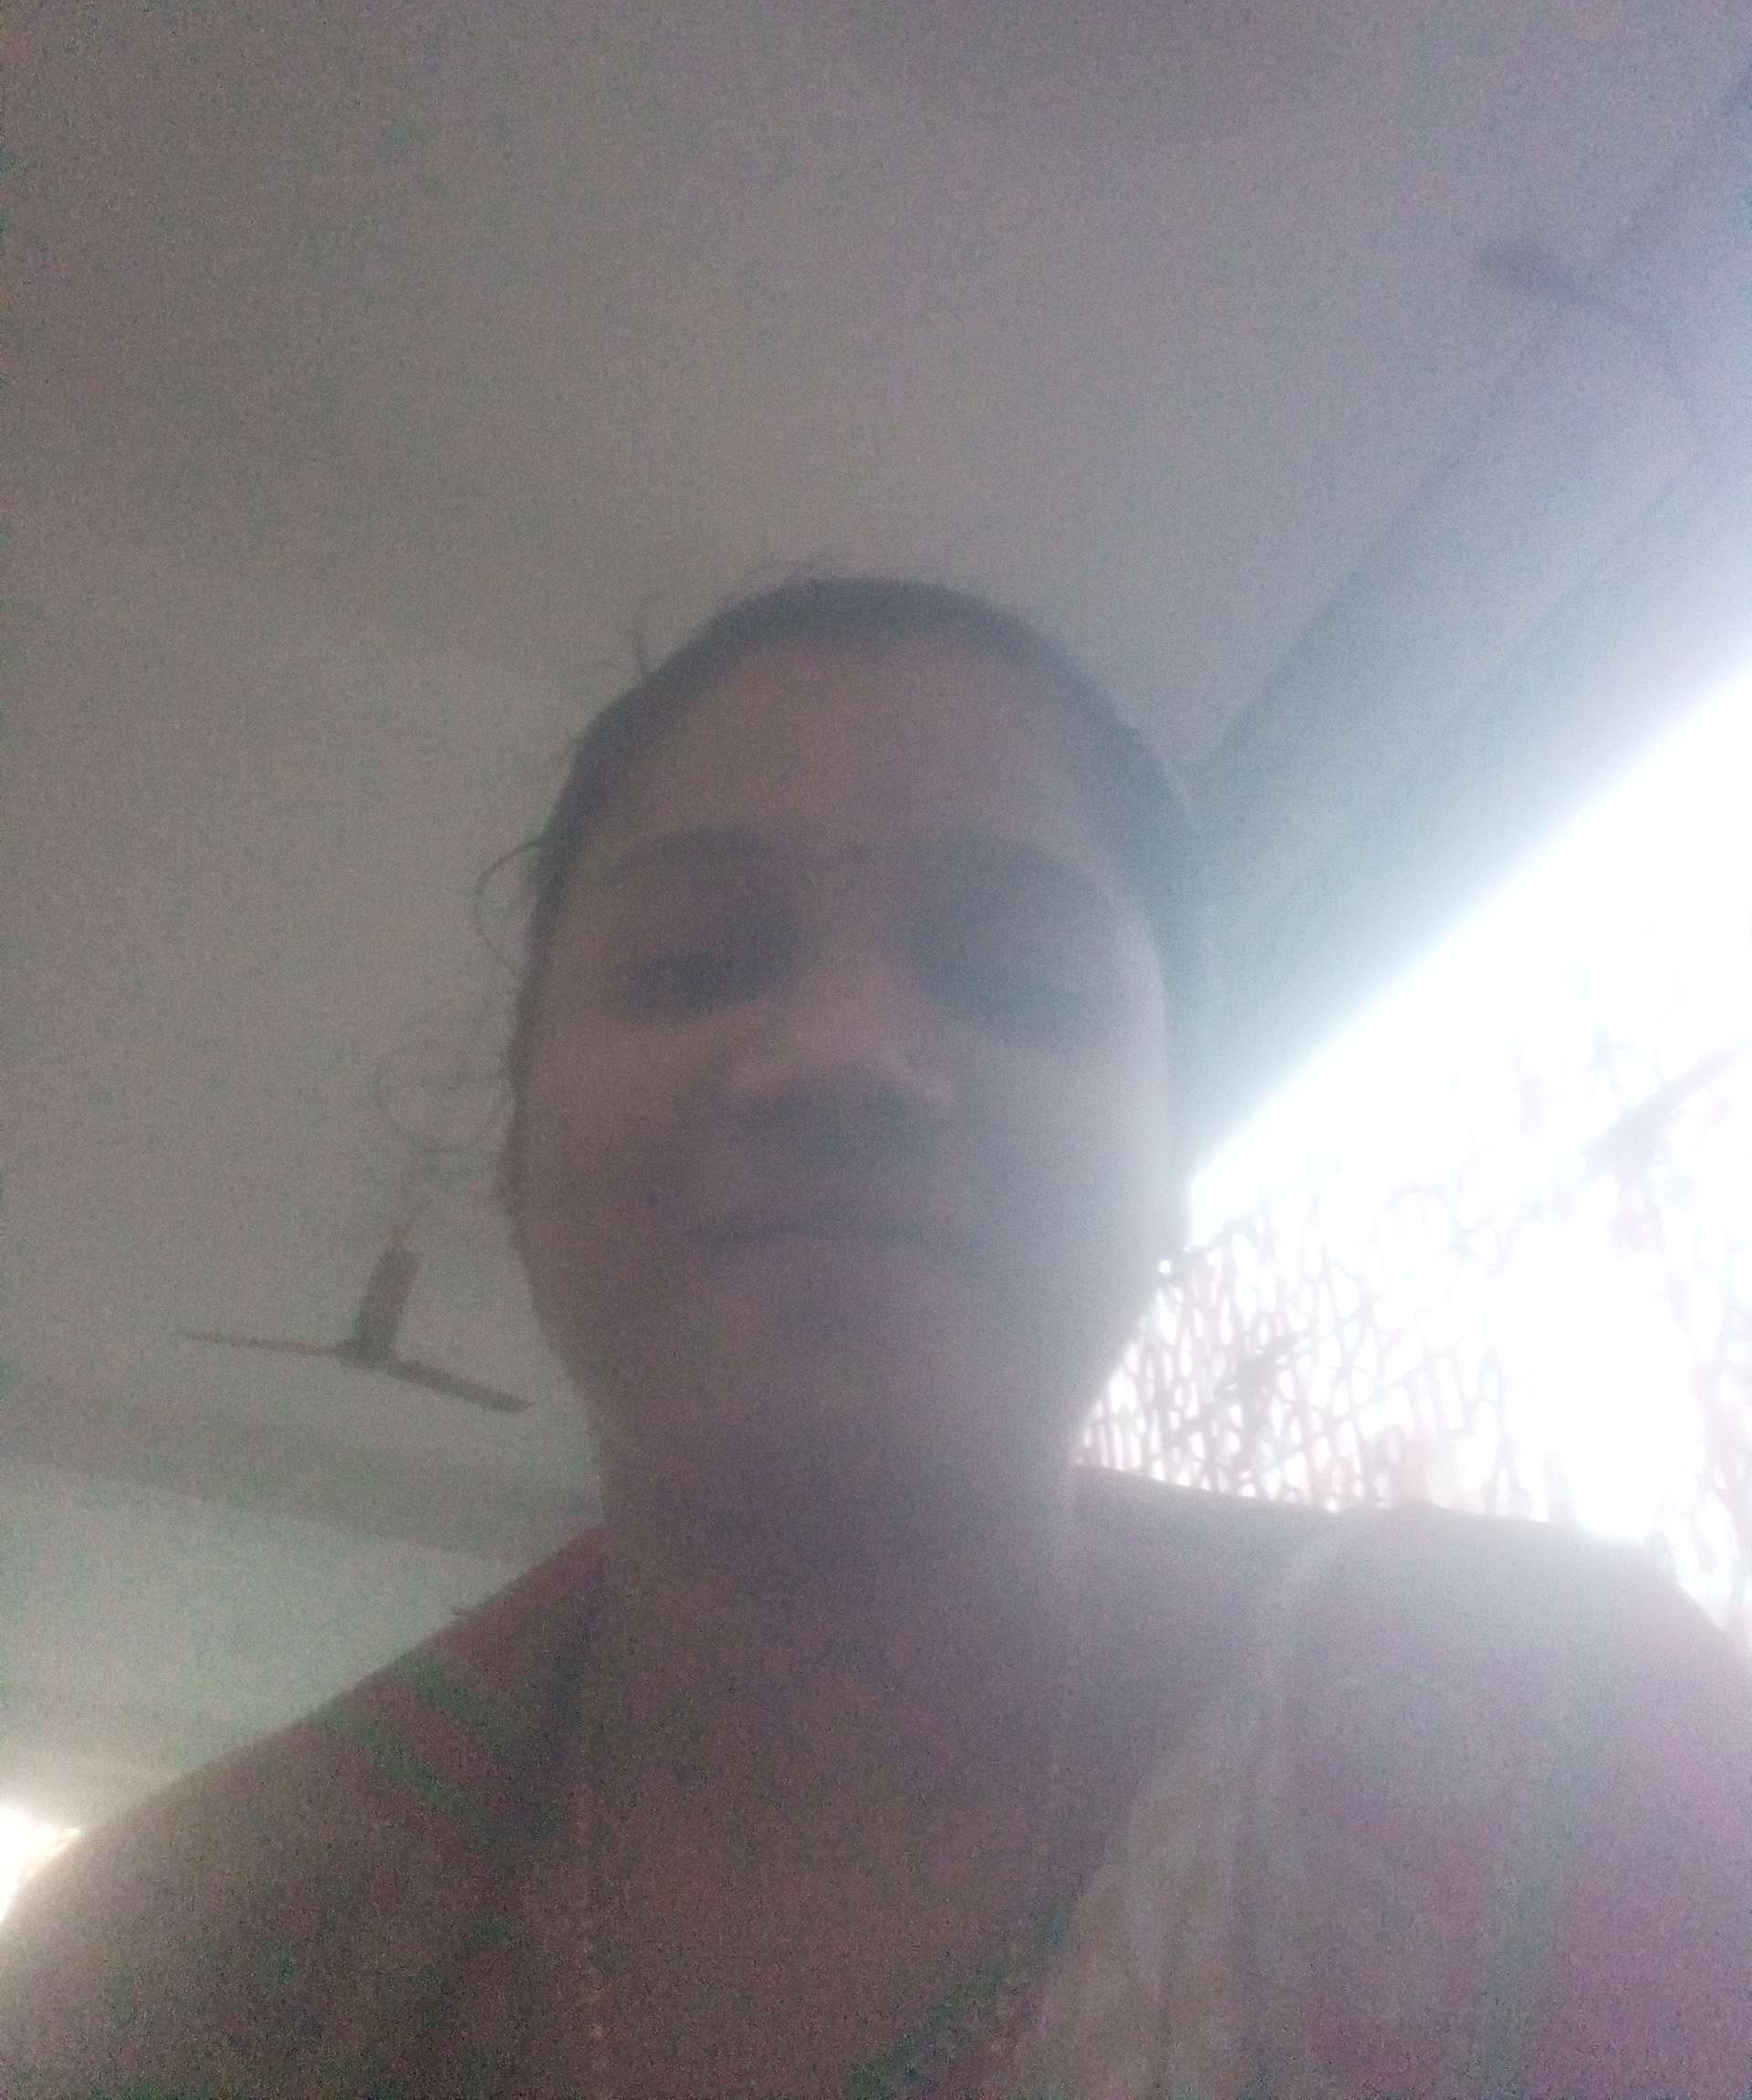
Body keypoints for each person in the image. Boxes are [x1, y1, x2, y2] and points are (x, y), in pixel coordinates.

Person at [3, 569, 1748, 2100]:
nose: (843, 1054)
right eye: (693, 965)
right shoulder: (150, 1978)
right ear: (518, 1146)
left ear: (1166, 1174)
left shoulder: (1588, 1759)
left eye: (1017, 983)